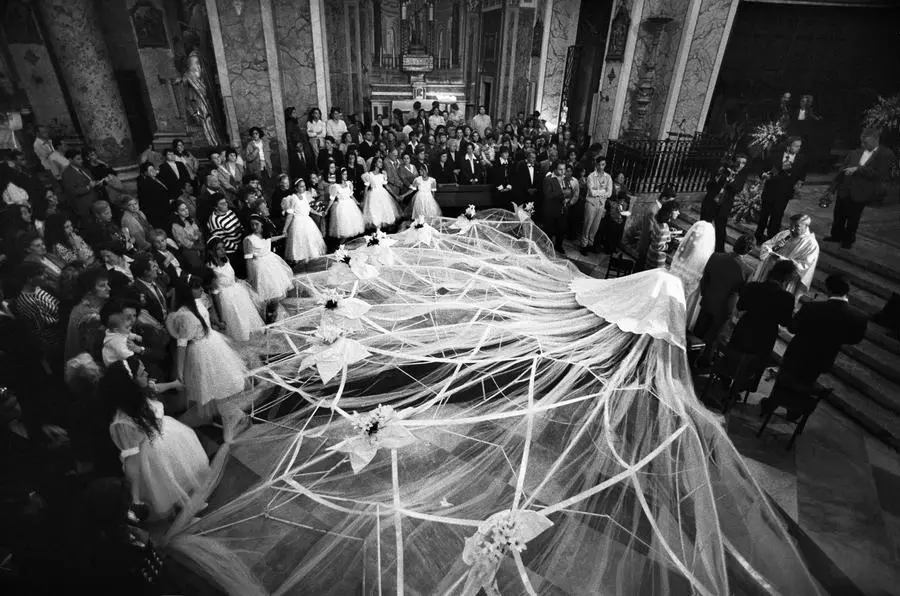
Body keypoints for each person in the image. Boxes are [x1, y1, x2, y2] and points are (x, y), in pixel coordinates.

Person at [105, 356, 209, 519]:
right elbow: (132, 461)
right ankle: (185, 512)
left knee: (181, 473)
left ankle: (188, 502)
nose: (146, 373)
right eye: (141, 373)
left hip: (169, 436)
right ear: (130, 384)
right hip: (153, 458)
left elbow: (156, 388)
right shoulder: (123, 422)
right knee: (168, 483)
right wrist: (136, 498)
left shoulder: (141, 390)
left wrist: (174, 384)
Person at [768, 275, 867, 413]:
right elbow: (854, 339)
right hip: (822, 358)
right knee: (806, 382)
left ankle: (771, 405)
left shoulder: (812, 307)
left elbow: (792, 328)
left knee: (785, 380)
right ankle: (794, 411)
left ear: (829, 290)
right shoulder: (858, 316)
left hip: (797, 353)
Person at [167, 275, 248, 422]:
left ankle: (226, 412)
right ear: (188, 291)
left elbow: (207, 317)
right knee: (211, 382)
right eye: (197, 287)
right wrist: (180, 371)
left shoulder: (197, 303)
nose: (201, 290)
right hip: (201, 350)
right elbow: (181, 344)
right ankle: (225, 414)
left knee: (222, 379)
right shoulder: (184, 314)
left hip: (212, 342)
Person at [724, 259, 797, 395]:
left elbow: (740, 306)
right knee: (755, 362)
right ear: (786, 277)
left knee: (735, 354)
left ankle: (725, 377)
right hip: (765, 334)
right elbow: (785, 322)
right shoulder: (786, 298)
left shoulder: (753, 286)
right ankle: (742, 387)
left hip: (746, 326)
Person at [825, 127, 896, 249]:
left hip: (861, 191)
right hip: (845, 188)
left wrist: (858, 169)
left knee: (853, 217)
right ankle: (836, 235)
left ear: (876, 140)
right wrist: (832, 189)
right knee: (839, 214)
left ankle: (848, 240)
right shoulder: (854, 152)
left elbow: (880, 174)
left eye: (866, 142)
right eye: (862, 142)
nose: (863, 144)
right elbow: (842, 170)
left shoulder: (885, 154)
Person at [694, 234, 755, 362]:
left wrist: (705, 294)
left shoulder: (716, 256)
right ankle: (704, 362)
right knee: (714, 337)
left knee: (699, 330)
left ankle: (690, 355)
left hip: (709, 298)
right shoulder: (747, 270)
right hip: (725, 306)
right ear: (750, 250)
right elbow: (743, 292)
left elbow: (705, 278)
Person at [207, 237, 264, 343]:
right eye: (219, 249)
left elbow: (231, 276)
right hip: (225, 297)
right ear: (211, 252)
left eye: (223, 247)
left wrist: (241, 283)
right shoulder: (211, 269)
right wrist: (220, 317)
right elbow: (215, 293)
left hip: (237, 292)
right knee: (236, 322)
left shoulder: (226, 260)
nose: (223, 251)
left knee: (246, 318)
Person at [751, 213, 819, 300]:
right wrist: (775, 248)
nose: (792, 229)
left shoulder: (811, 244)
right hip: (770, 275)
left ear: (806, 227)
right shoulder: (784, 234)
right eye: (790, 225)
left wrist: (783, 260)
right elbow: (766, 246)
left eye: (796, 226)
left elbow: (805, 266)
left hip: (787, 281)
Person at [756, 137, 806, 244]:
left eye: (800, 146)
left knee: (777, 217)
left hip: (784, 193)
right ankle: (759, 237)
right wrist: (763, 174)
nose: (798, 148)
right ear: (788, 146)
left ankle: (771, 239)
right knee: (764, 215)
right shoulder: (775, 155)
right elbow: (761, 168)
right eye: (796, 146)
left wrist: (800, 183)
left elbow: (802, 174)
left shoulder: (801, 159)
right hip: (770, 190)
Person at [668, 220, 716, 329]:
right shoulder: (704, 255)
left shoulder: (687, 248)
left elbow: (679, 256)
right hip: (691, 279)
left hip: (677, 274)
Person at [700, 154, 748, 252]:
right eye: (738, 162)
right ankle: (699, 246)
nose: (740, 165)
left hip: (724, 206)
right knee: (703, 226)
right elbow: (710, 185)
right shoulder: (723, 170)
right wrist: (722, 178)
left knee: (720, 230)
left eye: (743, 163)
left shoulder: (741, 176)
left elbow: (738, 188)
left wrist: (730, 182)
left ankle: (719, 251)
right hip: (710, 202)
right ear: (734, 161)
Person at [244, 215, 293, 303]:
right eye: (252, 225)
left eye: (256, 224)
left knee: (276, 287)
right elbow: (248, 260)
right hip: (260, 266)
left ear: (262, 224)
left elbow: (269, 240)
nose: (254, 227)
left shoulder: (265, 234)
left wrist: (282, 236)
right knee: (265, 290)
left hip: (271, 262)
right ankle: (268, 310)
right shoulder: (249, 239)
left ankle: (274, 308)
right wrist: (250, 276)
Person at [282, 179, 327, 265]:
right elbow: (290, 214)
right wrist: (285, 229)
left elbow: (308, 208)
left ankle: (309, 263)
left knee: (310, 242)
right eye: (301, 186)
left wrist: (318, 213)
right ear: (296, 188)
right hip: (298, 222)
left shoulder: (305, 196)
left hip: (307, 221)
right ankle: (300, 262)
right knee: (299, 243)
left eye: (304, 186)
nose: (304, 188)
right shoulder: (293, 198)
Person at [206, 194, 245, 278]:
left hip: (241, 245)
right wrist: (239, 248)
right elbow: (222, 241)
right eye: (222, 204)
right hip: (232, 253)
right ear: (215, 207)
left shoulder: (230, 212)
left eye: (226, 202)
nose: (226, 205)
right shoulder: (214, 221)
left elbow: (239, 226)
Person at [541, 161, 577, 252]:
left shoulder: (566, 179)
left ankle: (559, 246)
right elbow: (548, 195)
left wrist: (568, 198)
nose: (563, 171)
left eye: (564, 169)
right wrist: (561, 192)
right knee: (549, 230)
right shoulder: (548, 179)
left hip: (563, 208)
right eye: (560, 169)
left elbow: (570, 191)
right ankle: (548, 247)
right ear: (555, 169)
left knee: (561, 229)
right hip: (551, 209)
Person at [579, 157, 613, 254]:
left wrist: (599, 192)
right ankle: (583, 245)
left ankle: (590, 243)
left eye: (603, 165)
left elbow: (609, 193)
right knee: (587, 224)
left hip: (601, 204)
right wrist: (603, 191)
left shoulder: (608, 177)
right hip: (591, 203)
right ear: (596, 165)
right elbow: (592, 192)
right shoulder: (591, 176)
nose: (601, 167)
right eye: (600, 164)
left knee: (595, 225)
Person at [60, 149, 102, 224]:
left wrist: (97, 183)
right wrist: (88, 187)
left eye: (81, 158)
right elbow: (72, 191)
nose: (81, 161)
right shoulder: (67, 174)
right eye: (78, 159)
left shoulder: (85, 170)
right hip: (84, 206)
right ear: (70, 160)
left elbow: (92, 181)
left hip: (95, 201)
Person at [100, 299, 145, 367]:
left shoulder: (119, 330)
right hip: (116, 363)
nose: (132, 320)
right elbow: (124, 353)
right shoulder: (116, 341)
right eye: (128, 317)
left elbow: (126, 334)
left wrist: (135, 336)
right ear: (116, 329)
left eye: (134, 315)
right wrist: (133, 354)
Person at [131, 252, 169, 325]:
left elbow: (167, 280)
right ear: (146, 272)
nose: (157, 268)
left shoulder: (155, 279)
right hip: (157, 325)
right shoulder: (136, 290)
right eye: (153, 267)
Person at [328, 167, 366, 241]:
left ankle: (346, 245)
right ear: (340, 175)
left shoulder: (349, 183)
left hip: (350, 205)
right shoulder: (336, 186)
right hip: (342, 207)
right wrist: (326, 210)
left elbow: (351, 195)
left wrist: (357, 203)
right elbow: (332, 199)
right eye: (344, 174)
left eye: (346, 174)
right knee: (344, 228)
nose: (346, 176)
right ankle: (340, 246)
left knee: (352, 226)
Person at [362, 159, 400, 230]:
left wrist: (394, 195)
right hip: (373, 195)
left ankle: (381, 232)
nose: (381, 163)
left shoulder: (383, 174)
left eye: (381, 162)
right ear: (375, 163)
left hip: (382, 194)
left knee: (384, 211)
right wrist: (364, 198)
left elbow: (387, 186)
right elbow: (366, 187)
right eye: (379, 162)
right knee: (375, 212)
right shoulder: (369, 175)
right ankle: (377, 230)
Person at [645, 201, 680, 271]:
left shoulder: (659, 223)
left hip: (651, 255)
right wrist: (670, 246)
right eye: (676, 210)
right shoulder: (664, 228)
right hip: (656, 260)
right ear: (669, 213)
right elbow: (658, 246)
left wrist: (669, 233)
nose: (678, 213)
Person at [170, 200, 204, 272]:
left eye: (186, 208)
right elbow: (187, 244)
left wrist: (198, 239)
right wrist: (201, 247)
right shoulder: (176, 226)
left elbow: (198, 232)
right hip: (189, 251)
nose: (186, 211)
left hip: (198, 245)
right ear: (176, 212)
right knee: (199, 269)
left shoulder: (190, 219)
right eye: (182, 210)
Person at [137, 161, 171, 230]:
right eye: (150, 170)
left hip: (166, 208)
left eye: (153, 169)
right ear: (145, 173)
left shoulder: (157, 179)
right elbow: (152, 200)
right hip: (159, 212)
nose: (153, 171)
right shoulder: (146, 184)